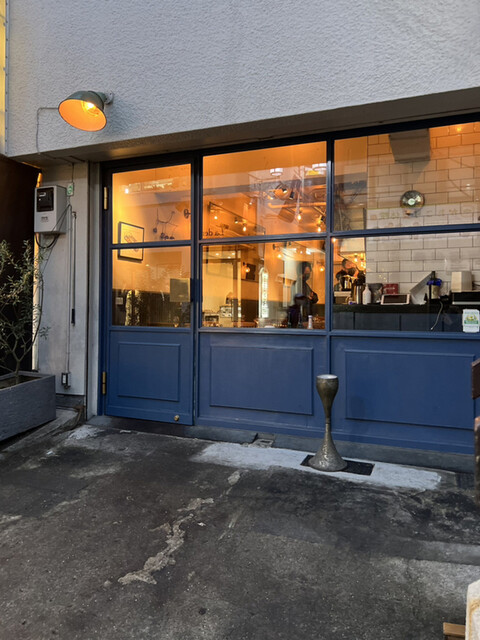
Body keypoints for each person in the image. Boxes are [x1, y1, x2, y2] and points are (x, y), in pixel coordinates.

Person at [289, 261, 318, 327]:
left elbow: (315, 297)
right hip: (300, 317)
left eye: (309, 272)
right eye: (307, 272)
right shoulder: (297, 284)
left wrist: (311, 298)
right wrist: (309, 298)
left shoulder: (305, 284)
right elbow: (300, 300)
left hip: (306, 316)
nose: (308, 274)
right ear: (301, 272)